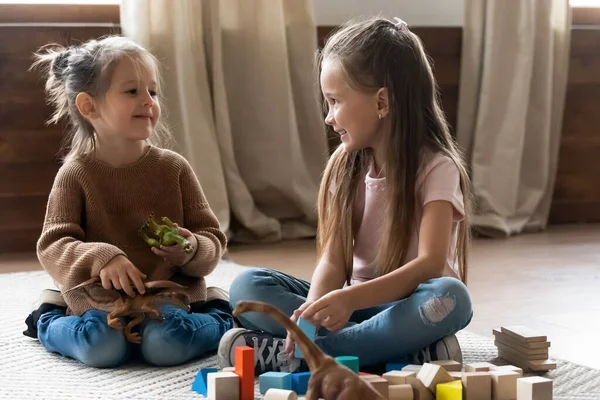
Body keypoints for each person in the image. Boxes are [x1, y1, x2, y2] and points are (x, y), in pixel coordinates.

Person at [218, 17, 473, 375]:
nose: (328, 117)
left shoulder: (436, 167)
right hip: (355, 311)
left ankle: (303, 355)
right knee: (247, 286)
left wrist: (349, 299)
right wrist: (310, 313)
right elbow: (333, 261)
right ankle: (403, 355)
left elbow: (431, 263)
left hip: (408, 307)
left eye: (335, 101)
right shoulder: (345, 164)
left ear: (381, 102)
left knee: (452, 298)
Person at [22, 35, 234, 368]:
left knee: (166, 347)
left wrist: (192, 249)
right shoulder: (75, 173)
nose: (148, 101)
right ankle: (49, 316)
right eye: (132, 91)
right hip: (99, 299)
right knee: (101, 350)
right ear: (89, 106)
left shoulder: (174, 168)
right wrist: (102, 258)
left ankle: (219, 312)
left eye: (153, 91)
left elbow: (211, 237)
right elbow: (53, 245)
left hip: (167, 295)